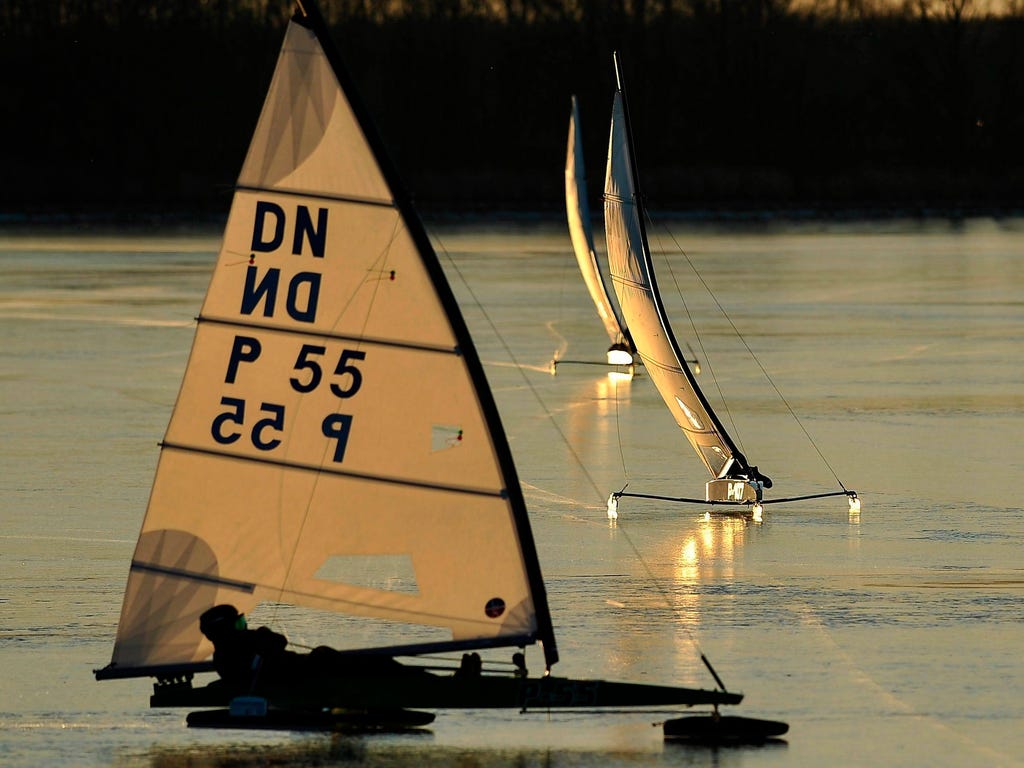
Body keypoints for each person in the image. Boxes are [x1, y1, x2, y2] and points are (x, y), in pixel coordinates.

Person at [198, 604, 425, 689]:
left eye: (243, 621)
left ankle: (423, 676)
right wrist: (261, 638)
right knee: (364, 664)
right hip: (306, 675)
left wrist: (260, 637)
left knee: (370, 660)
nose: (244, 626)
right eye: (239, 623)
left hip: (307, 667)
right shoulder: (227, 656)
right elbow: (275, 648)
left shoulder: (246, 642)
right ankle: (425, 681)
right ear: (225, 630)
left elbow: (279, 642)